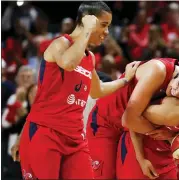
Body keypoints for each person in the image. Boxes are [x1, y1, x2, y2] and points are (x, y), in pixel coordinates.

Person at [14, 2, 140, 179]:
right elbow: (68, 63)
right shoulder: (60, 44)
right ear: (87, 21)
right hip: (45, 133)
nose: (107, 32)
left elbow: (97, 90)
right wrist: (86, 31)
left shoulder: (89, 57)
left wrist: (125, 80)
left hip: (74, 137)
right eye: (103, 25)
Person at [87, 59, 179, 179]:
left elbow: (135, 122)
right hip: (106, 122)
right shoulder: (158, 70)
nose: (176, 93)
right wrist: (169, 136)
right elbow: (130, 120)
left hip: (131, 129)